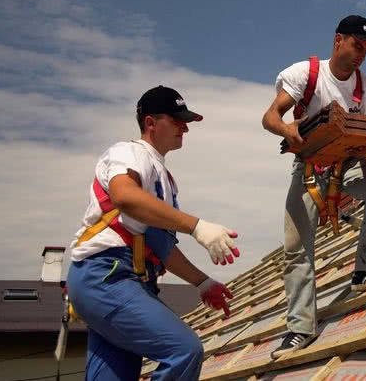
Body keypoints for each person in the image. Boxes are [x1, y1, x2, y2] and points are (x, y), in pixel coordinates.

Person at [67, 85, 241, 381]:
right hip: (107, 275)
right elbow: (125, 196)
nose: (185, 127)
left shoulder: (164, 178)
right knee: (184, 350)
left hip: (122, 279)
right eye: (177, 120)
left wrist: (202, 282)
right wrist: (196, 226)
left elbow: (159, 244)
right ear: (150, 122)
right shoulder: (130, 153)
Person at [262, 15, 366, 359]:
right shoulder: (306, 74)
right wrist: (287, 130)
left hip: (347, 163)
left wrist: (364, 142)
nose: (362, 54)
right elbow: (271, 117)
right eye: (357, 45)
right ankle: (300, 328)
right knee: (296, 245)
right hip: (309, 167)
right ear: (338, 40)